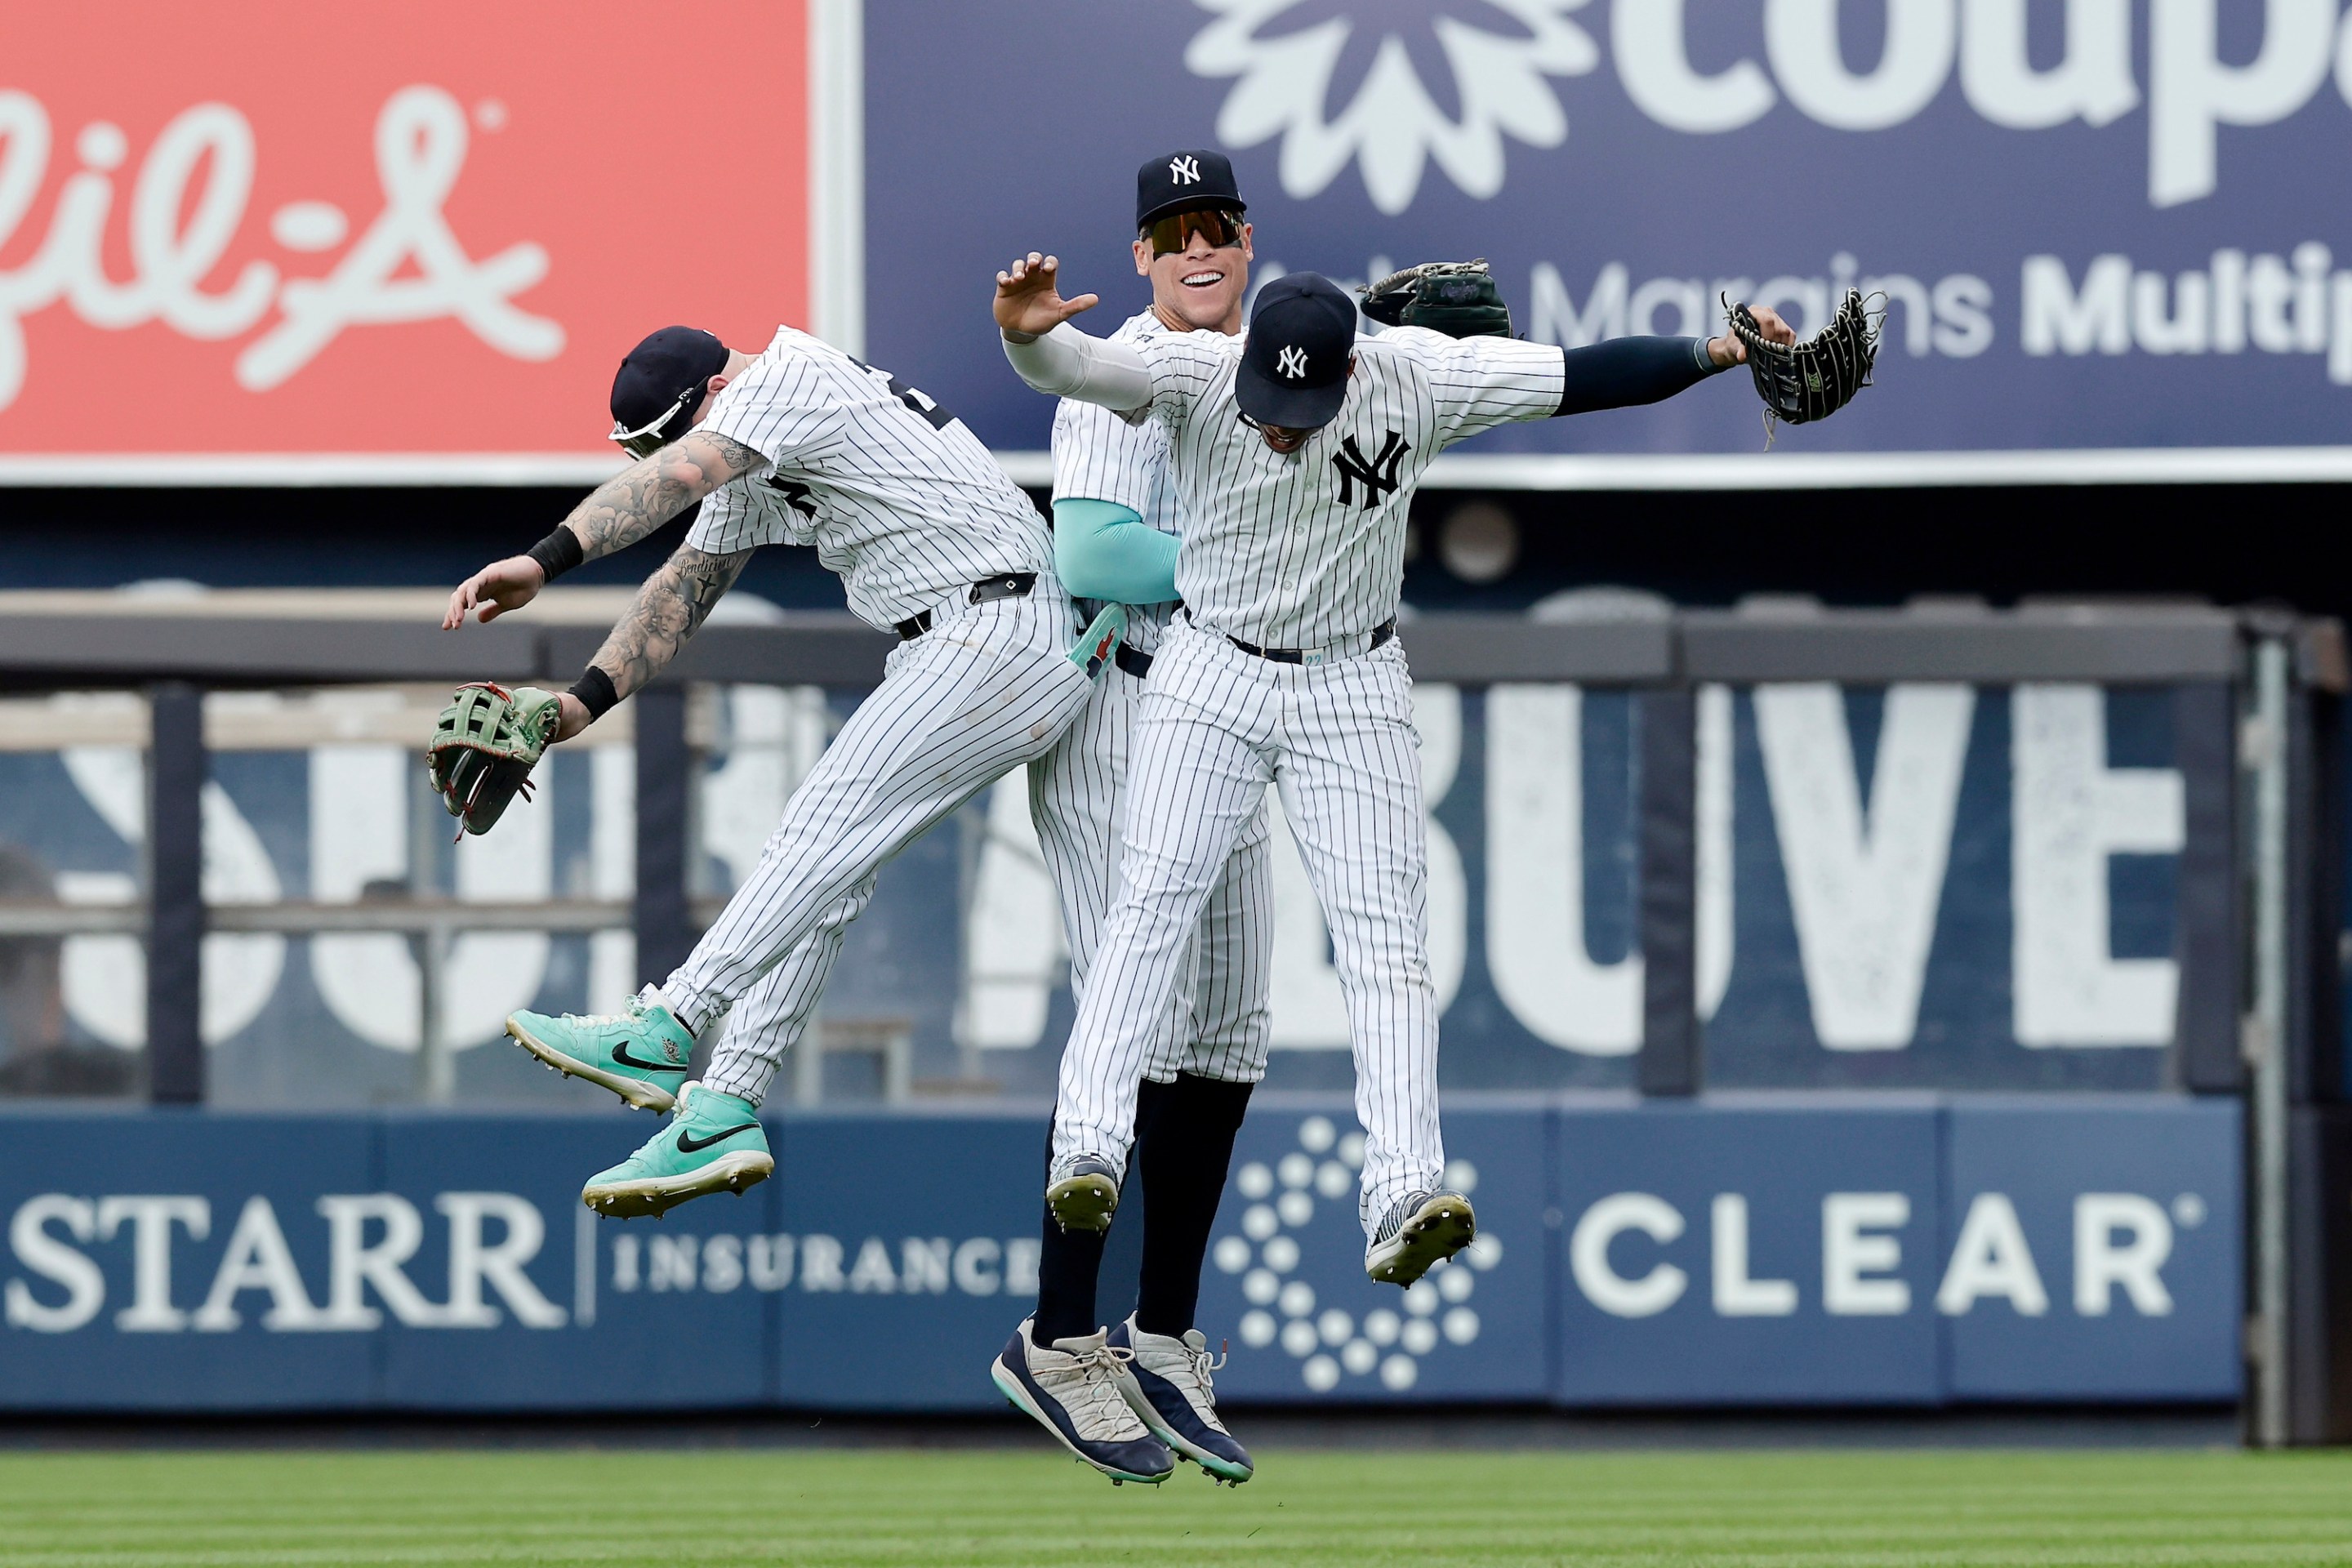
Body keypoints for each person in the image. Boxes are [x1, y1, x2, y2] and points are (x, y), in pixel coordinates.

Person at [992, 251, 1795, 1290]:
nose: (1281, 418)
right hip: (1211, 670)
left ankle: (1404, 1189)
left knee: (1387, 940)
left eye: (1302, 400)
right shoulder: (1197, 373)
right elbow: (1076, 371)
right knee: (1151, 904)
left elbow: (1587, 374)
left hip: (1350, 679)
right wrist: (1023, 333)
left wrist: (1716, 352)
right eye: (1269, 396)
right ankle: (1088, 1149)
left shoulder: (1415, 376)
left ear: (1351, 367)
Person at [440, 322, 1100, 1219]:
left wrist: (541, 560)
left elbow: (678, 477)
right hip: (970, 635)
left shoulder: (788, 377)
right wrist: (576, 705)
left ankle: (665, 1025)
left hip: (996, 625)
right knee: (824, 878)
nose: (665, 455)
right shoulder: (760, 443)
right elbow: (685, 587)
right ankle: (722, 1108)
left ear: (711, 397)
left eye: (667, 435)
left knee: (817, 829)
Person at [992, 149, 1272, 1488]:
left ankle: (1162, 1334)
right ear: (1146, 258)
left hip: (1238, 704)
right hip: (1123, 697)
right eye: (1172, 233)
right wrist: (1259, 557)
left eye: (1214, 223)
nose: (1196, 248)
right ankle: (1058, 1336)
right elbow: (1096, 553)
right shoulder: (1109, 363)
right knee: (1127, 1008)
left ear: (1246, 239)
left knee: (1224, 1033)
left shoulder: (1281, 365)